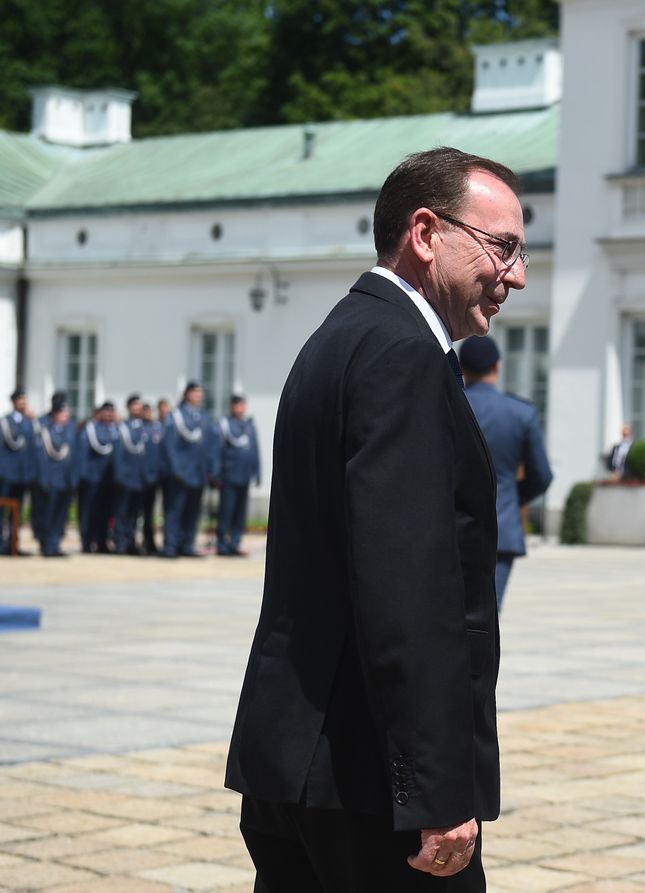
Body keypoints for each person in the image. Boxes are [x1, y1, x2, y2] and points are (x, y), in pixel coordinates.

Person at [226, 146, 525, 890]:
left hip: (295, 763)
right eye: (504, 247)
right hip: (369, 791)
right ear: (426, 233)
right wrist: (436, 790)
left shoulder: (337, 339)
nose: (517, 275)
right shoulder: (404, 355)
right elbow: (407, 590)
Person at [459, 335, 553, 612]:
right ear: (497, 367)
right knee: (486, 617)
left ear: (461, 366)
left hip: (449, 525)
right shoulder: (520, 413)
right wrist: (513, 496)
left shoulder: (448, 404)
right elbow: (542, 475)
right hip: (501, 527)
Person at [161, 383, 213, 558]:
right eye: (195, 392)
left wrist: (210, 469)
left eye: (200, 392)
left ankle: (187, 544)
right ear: (186, 394)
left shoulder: (203, 416)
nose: (198, 395)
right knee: (175, 510)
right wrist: (176, 468)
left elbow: (208, 445)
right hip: (181, 472)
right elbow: (169, 445)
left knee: (193, 511)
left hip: (198, 472)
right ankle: (171, 545)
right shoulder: (176, 415)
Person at [214, 395, 260, 557]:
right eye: (238, 405)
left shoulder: (248, 425)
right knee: (227, 511)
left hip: (244, 475)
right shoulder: (226, 424)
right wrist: (216, 473)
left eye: (242, 405)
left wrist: (257, 472)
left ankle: (235, 542)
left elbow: (254, 450)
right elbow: (218, 450)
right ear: (232, 407)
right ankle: (222, 544)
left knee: (240, 513)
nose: (241, 408)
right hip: (229, 475)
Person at [31, 396, 76, 558]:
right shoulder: (45, 431)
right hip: (50, 480)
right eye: (63, 413)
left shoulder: (68, 431)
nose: (66, 416)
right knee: (47, 514)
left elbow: (73, 457)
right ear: (55, 414)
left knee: (60, 515)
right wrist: (43, 478)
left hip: (64, 480)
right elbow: (41, 458)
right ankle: (47, 544)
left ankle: (55, 543)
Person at [76, 401, 118, 553]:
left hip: (109, 480)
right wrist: (83, 476)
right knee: (88, 512)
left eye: (111, 412)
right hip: (92, 478)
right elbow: (82, 453)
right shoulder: (90, 429)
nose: (108, 415)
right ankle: (87, 542)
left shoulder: (115, 430)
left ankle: (102, 541)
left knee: (106, 512)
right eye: (105, 412)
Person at [112, 395, 151, 555]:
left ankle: (130, 541)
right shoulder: (122, 428)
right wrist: (120, 475)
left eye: (140, 406)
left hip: (140, 478)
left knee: (135, 514)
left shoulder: (145, 428)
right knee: (122, 511)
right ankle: (120, 542)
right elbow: (118, 454)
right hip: (126, 477)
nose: (138, 408)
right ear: (129, 408)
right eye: (135, 405)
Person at [0, 388, 36, 556]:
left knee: (17, 512)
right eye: (20, 399)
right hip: (7, 473)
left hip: (22, 474)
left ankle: (13, 544)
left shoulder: (28, 422)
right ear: (14, 402)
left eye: (24, 399)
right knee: (2, 510)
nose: (23, 402)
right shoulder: (6, 422)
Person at [141, 399, 168, 554]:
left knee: (150, 512)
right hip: (141, 478)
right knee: (140, 512)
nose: (148, 414)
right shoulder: (139, 429)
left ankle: (150, 541)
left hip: (155, 477)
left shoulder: (158, 428)